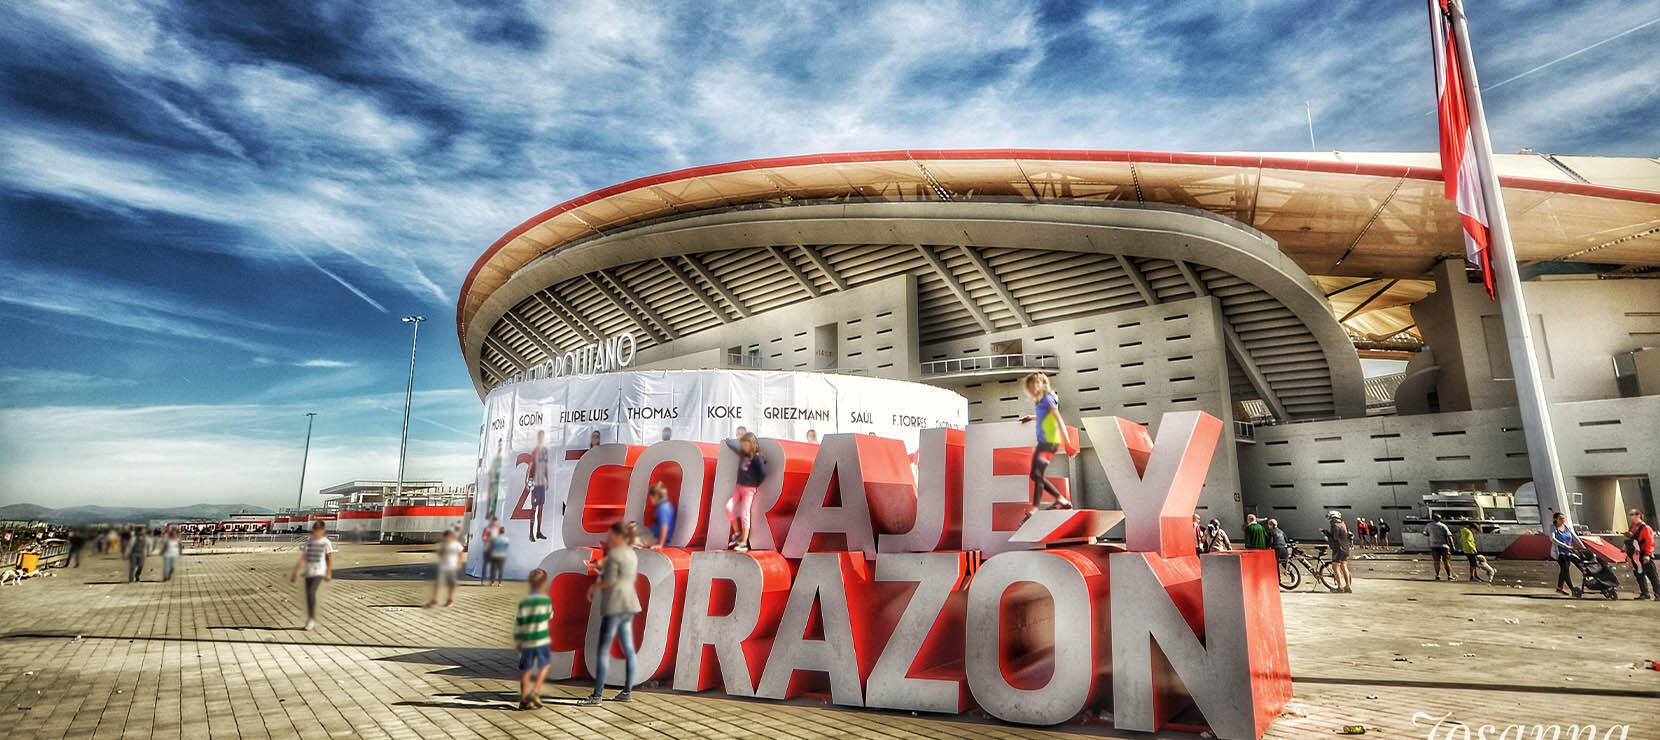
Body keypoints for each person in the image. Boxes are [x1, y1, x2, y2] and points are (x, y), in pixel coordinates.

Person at [579, 522, 642, 706]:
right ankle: (627, 691)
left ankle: (597, 695)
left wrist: (595, 585)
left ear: (618, 536)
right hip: (630, 604)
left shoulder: (615, 554)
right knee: (629, 650)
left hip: (614, 605)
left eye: (610, 535)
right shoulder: (631, 552)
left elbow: (611, 581)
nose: (609, 538)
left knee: (603, 651)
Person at [1019, 373, 1074, 518]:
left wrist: (1067, 443)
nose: (1029, 392)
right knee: (1035, 475)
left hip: (1049, 443)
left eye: (1031, 388)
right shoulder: (1041, 401)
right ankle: (1060, 500)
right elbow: (1045, 415)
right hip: (1044, 442)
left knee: (1037, 475)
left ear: (1038, 386)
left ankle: (1036, 508)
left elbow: (1059, 420)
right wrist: (1032, 417)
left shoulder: (1048, 400)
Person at [514, 568, 555, 710]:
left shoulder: (525, 602)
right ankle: (535, 692)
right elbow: (550, 616)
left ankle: (524, 699)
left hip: (527, 640)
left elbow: (519, 622)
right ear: (544, 584)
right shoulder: (546, 601)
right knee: (545, 665)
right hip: (542, 639)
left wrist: (518, 640)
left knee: (526, 670)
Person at [724, 432, 767, 551]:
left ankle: (744, 542)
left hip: (749, 489)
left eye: (746, 444)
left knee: (745, 513)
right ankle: (737, 533)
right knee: (728, 507)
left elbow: (763, 472)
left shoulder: (757, 457)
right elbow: (735, 447)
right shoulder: (743, 454)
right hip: (738, 487)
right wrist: (728, 441)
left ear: (752, 444)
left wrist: (756, 483)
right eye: (743, 444)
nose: (743, 447)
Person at [290, 521, 335, 630]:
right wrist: (296, 571)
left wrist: (329, 572)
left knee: (311, 594)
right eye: (315, 530)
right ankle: (310, 617)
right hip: (308, 571)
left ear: (322, 531)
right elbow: (304, 557)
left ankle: (311, 619)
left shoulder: (326, 542)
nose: (316, 532)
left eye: (319, 530)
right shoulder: (310, 541)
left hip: (319, 572)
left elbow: (329, 558)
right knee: (308, 596)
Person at [1623, 508, 1657, 600]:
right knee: (1639, 575)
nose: (1630, 516)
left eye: (1632, 514)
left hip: (1644, 554)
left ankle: (1658, 594)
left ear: (1639, 515)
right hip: (1634, 556)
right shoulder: (1632, 527)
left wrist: (1647, 554)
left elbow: (1650, 542)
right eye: (1630, 514)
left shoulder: (1646, 528)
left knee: (1652, 575)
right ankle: (1645, 593)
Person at [427, 529, 465, 607]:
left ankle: (450, 600)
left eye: (447, 537)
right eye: (445, 538)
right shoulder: (443, 544)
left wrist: (459, 564)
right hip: (443, 567)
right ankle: (435, 600)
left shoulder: (456, 544)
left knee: (451, 584)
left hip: (452, 567)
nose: (446, 539)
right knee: (439, 584)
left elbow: (461, 554)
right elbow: (439, 554)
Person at [1549, 511, 1580, 596]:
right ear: (1556, 519)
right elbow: (1553, 539)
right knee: (1565, 570)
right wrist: (1565, 546)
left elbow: (1575, 537)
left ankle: (1559, 587)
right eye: (1561, 518)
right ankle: (1572, 589)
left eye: (1563, 518)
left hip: (1569, 553)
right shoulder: (1553, 527)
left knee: (1564, 571)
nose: (1563, 520)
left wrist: (1583, 547)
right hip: (1560, 553)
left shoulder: (1567, 527)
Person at [1324, 512, 1353, 593]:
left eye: (1329, 518)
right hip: (1345, 548)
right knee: (1344, 567)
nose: (1329, 520)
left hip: (1338, 549)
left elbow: (1335, 538)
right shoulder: (1343, 524)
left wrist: (1326, 533)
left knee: (1335, 568)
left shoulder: (1334, 526)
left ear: (1333, 518)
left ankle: (1339, 587)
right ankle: (1348, 586)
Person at [529, 431, 550, 542]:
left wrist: (548, 480)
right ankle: (531, 533)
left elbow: (545, 466)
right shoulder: (535, 450)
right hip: (535, 483)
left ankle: (538, 532)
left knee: (541, 509)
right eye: (540, 436)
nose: (541, 438)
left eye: (543, 436)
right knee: (534, 509)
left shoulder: (545, 450)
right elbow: (530, 465)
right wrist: (528, 478)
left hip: (542, 483)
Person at [1426, 514, 1455, 581]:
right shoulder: (1443, 525)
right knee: (1446, 561)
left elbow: (1425, 533)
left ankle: (1438, 575)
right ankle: (1449, 576)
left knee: (1436, 561)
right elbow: (1449, 536)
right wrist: (1453, 546)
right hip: (1444, 546)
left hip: (1434, 546)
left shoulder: (1429, 525)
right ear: (1440, 519)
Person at [647, 482, 675, 548]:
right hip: (655, 536)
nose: (650, 501)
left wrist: (660, 544)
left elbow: (664, 526)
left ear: (656, 496)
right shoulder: (666, 505)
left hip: (656, 539)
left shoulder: (662, 508)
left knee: (634, 537)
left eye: (651, 498)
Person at [487, 439, 505, 524]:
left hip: (502, 484)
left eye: (502, 445)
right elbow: (490, 471)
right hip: (496, 483)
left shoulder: (505, 457)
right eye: (499, 445)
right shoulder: (496, 458)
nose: (500, 447)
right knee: (493, 502)